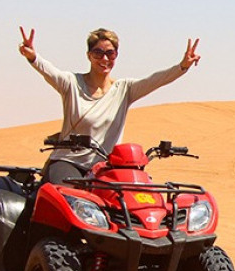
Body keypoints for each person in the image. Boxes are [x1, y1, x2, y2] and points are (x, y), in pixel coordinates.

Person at [18, 26, 201, 184]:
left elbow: (156, 80)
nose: (104, 59)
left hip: (105, 167)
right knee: (66, 201)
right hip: (69, 162)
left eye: (110, 53)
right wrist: (33, 56)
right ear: (89, 55)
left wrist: (182, 66)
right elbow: (50, 71)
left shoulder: (125, 89)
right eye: (98, 53)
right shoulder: (71, 83)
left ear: (116, 55)